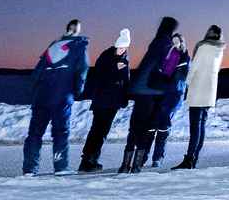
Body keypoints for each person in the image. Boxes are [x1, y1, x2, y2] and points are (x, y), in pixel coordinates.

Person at [23, 19, 89, 176]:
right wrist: (78, 90)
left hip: (42, 96)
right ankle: (60, 167)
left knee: (35, 133)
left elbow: (36, 73)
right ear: (77, 30)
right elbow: (82, 70)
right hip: (62, 96)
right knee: (60, 132)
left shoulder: (52, 46)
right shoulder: (79, 46)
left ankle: (29, 169)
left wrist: (34, 92)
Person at [120, 15, 178, 174]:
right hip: (153, 91)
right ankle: (137, 165)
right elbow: (167, 71)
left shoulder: (155, 42)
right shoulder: (168, 46)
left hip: (139, 89)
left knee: (134, 128)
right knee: (146, 129)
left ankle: (125, 165)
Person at [78, 28, 131, 173]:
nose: (121, 50)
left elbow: (125, 81)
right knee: (97, 131)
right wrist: (115, 68)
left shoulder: (125, 60)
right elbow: (99, 76)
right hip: (102, 100)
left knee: (102, 132)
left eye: (124, 47)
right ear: (116, 45)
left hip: (113, 102)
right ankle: (87, 160)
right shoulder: (106, 56)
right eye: (119, 47)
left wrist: (125, 98)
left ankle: (91, 159)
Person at [174, 25, 226, 169]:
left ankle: (189, 160)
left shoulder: (203, 47)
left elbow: (195, 67)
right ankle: (194, 158)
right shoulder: (219, 49)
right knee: (201, 126)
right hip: (209, 91)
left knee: (195, 127)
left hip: (198, 90)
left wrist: (186, 82)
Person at [148, 32, 190, 168]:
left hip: (174, 95)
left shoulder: (185, 58)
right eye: (173, 41)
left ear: (182, 42)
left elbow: (183, 78)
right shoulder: (165, 56)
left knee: (163, 126)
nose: (175, 44)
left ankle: (158, 157)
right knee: (151, 126)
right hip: (160, 94)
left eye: (177, 41)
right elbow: (158, 72)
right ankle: (143, 156)